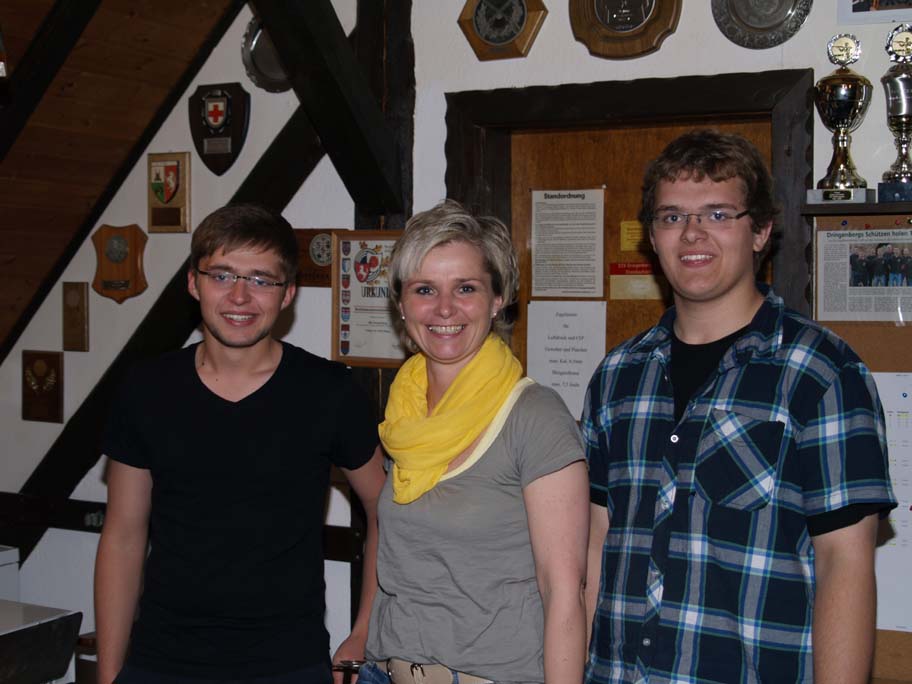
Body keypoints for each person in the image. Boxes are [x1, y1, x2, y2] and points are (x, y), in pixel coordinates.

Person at [582, 130, 896, 683]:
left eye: (718, 214)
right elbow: (595, 547)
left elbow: (844, 565)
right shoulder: (617, 377)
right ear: (652, 236)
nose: (692, 233)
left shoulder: (822, 374)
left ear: (761, 231)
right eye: (672, 216)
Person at [94, 204, 386, 684]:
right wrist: (109, 674)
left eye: (261, 280)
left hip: (288, 664)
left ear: (288, 293)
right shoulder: (146, 388)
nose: (240, 296)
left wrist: (364, 630)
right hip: (161, 660)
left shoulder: (329, 391)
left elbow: (384, 510)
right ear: (194, 283)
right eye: (223, 275)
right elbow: (123, 534)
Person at [353, 200, 589, 684]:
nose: (444, 309)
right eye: (424, 289)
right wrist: (360, 636)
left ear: (497, 299)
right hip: (387, 669)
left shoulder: (535, 416)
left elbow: (564, 590)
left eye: (466, 288)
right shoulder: (404, 413)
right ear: (401, 304)